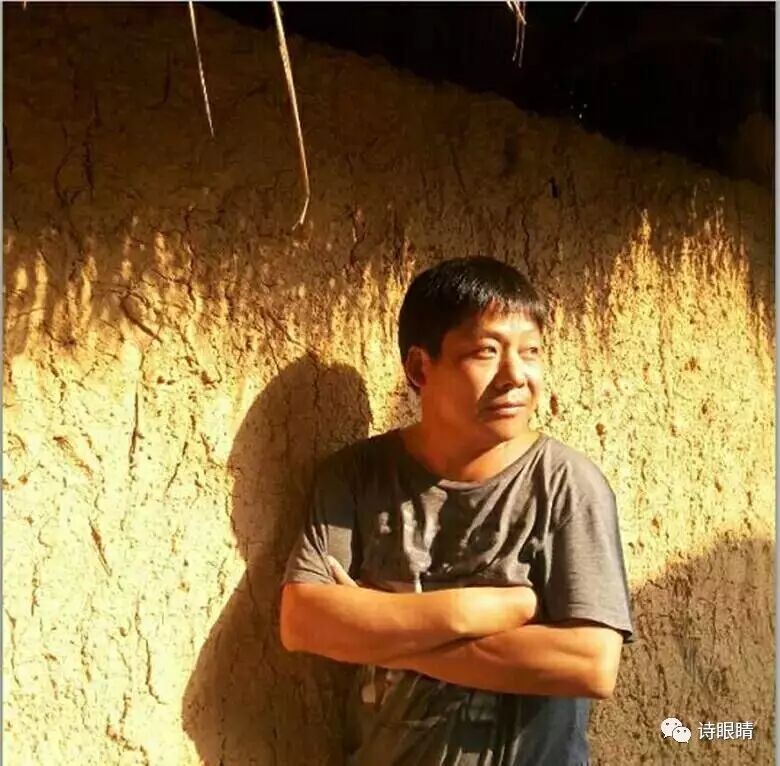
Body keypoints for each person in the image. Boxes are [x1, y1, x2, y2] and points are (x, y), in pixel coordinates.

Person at [280, 255, 635, 765]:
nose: (515, 376)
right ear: (420, 368)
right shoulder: (357, 477)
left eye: (531, 351)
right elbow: (303, 622)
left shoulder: (566, 485)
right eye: (486, 352)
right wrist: (478, 610)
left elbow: (590, 665)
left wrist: (377, 630)